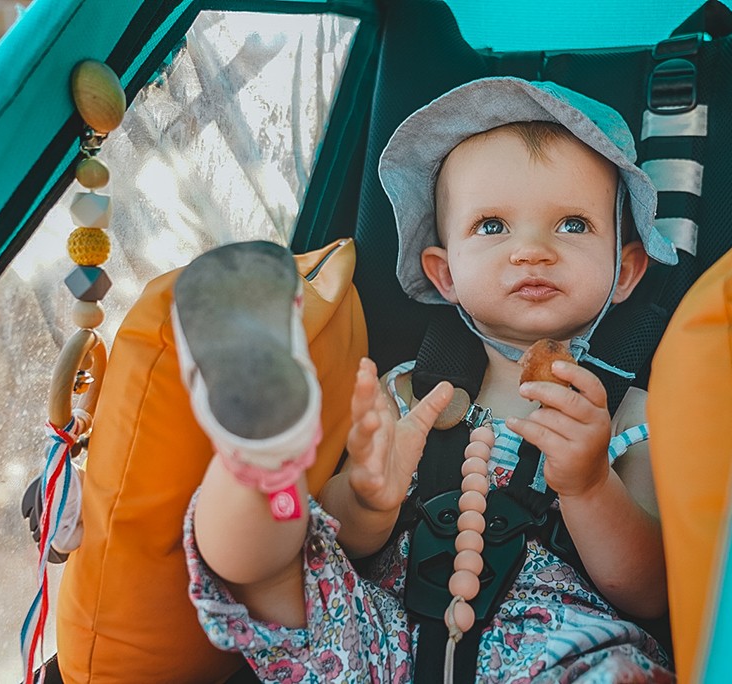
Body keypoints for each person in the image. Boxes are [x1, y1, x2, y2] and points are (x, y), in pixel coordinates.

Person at [177, 77, 679, 683]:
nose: (532, 251)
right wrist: (365, 499)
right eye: (493, 226)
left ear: (625, 269)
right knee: (292, 558)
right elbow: (355, 545)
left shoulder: (631, 414)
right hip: (384, 643)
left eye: (572, 225)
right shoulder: (410, 391)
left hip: (560, 652)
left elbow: (648, 593)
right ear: (444, 274)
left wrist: (592, 486)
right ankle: (259, 455)